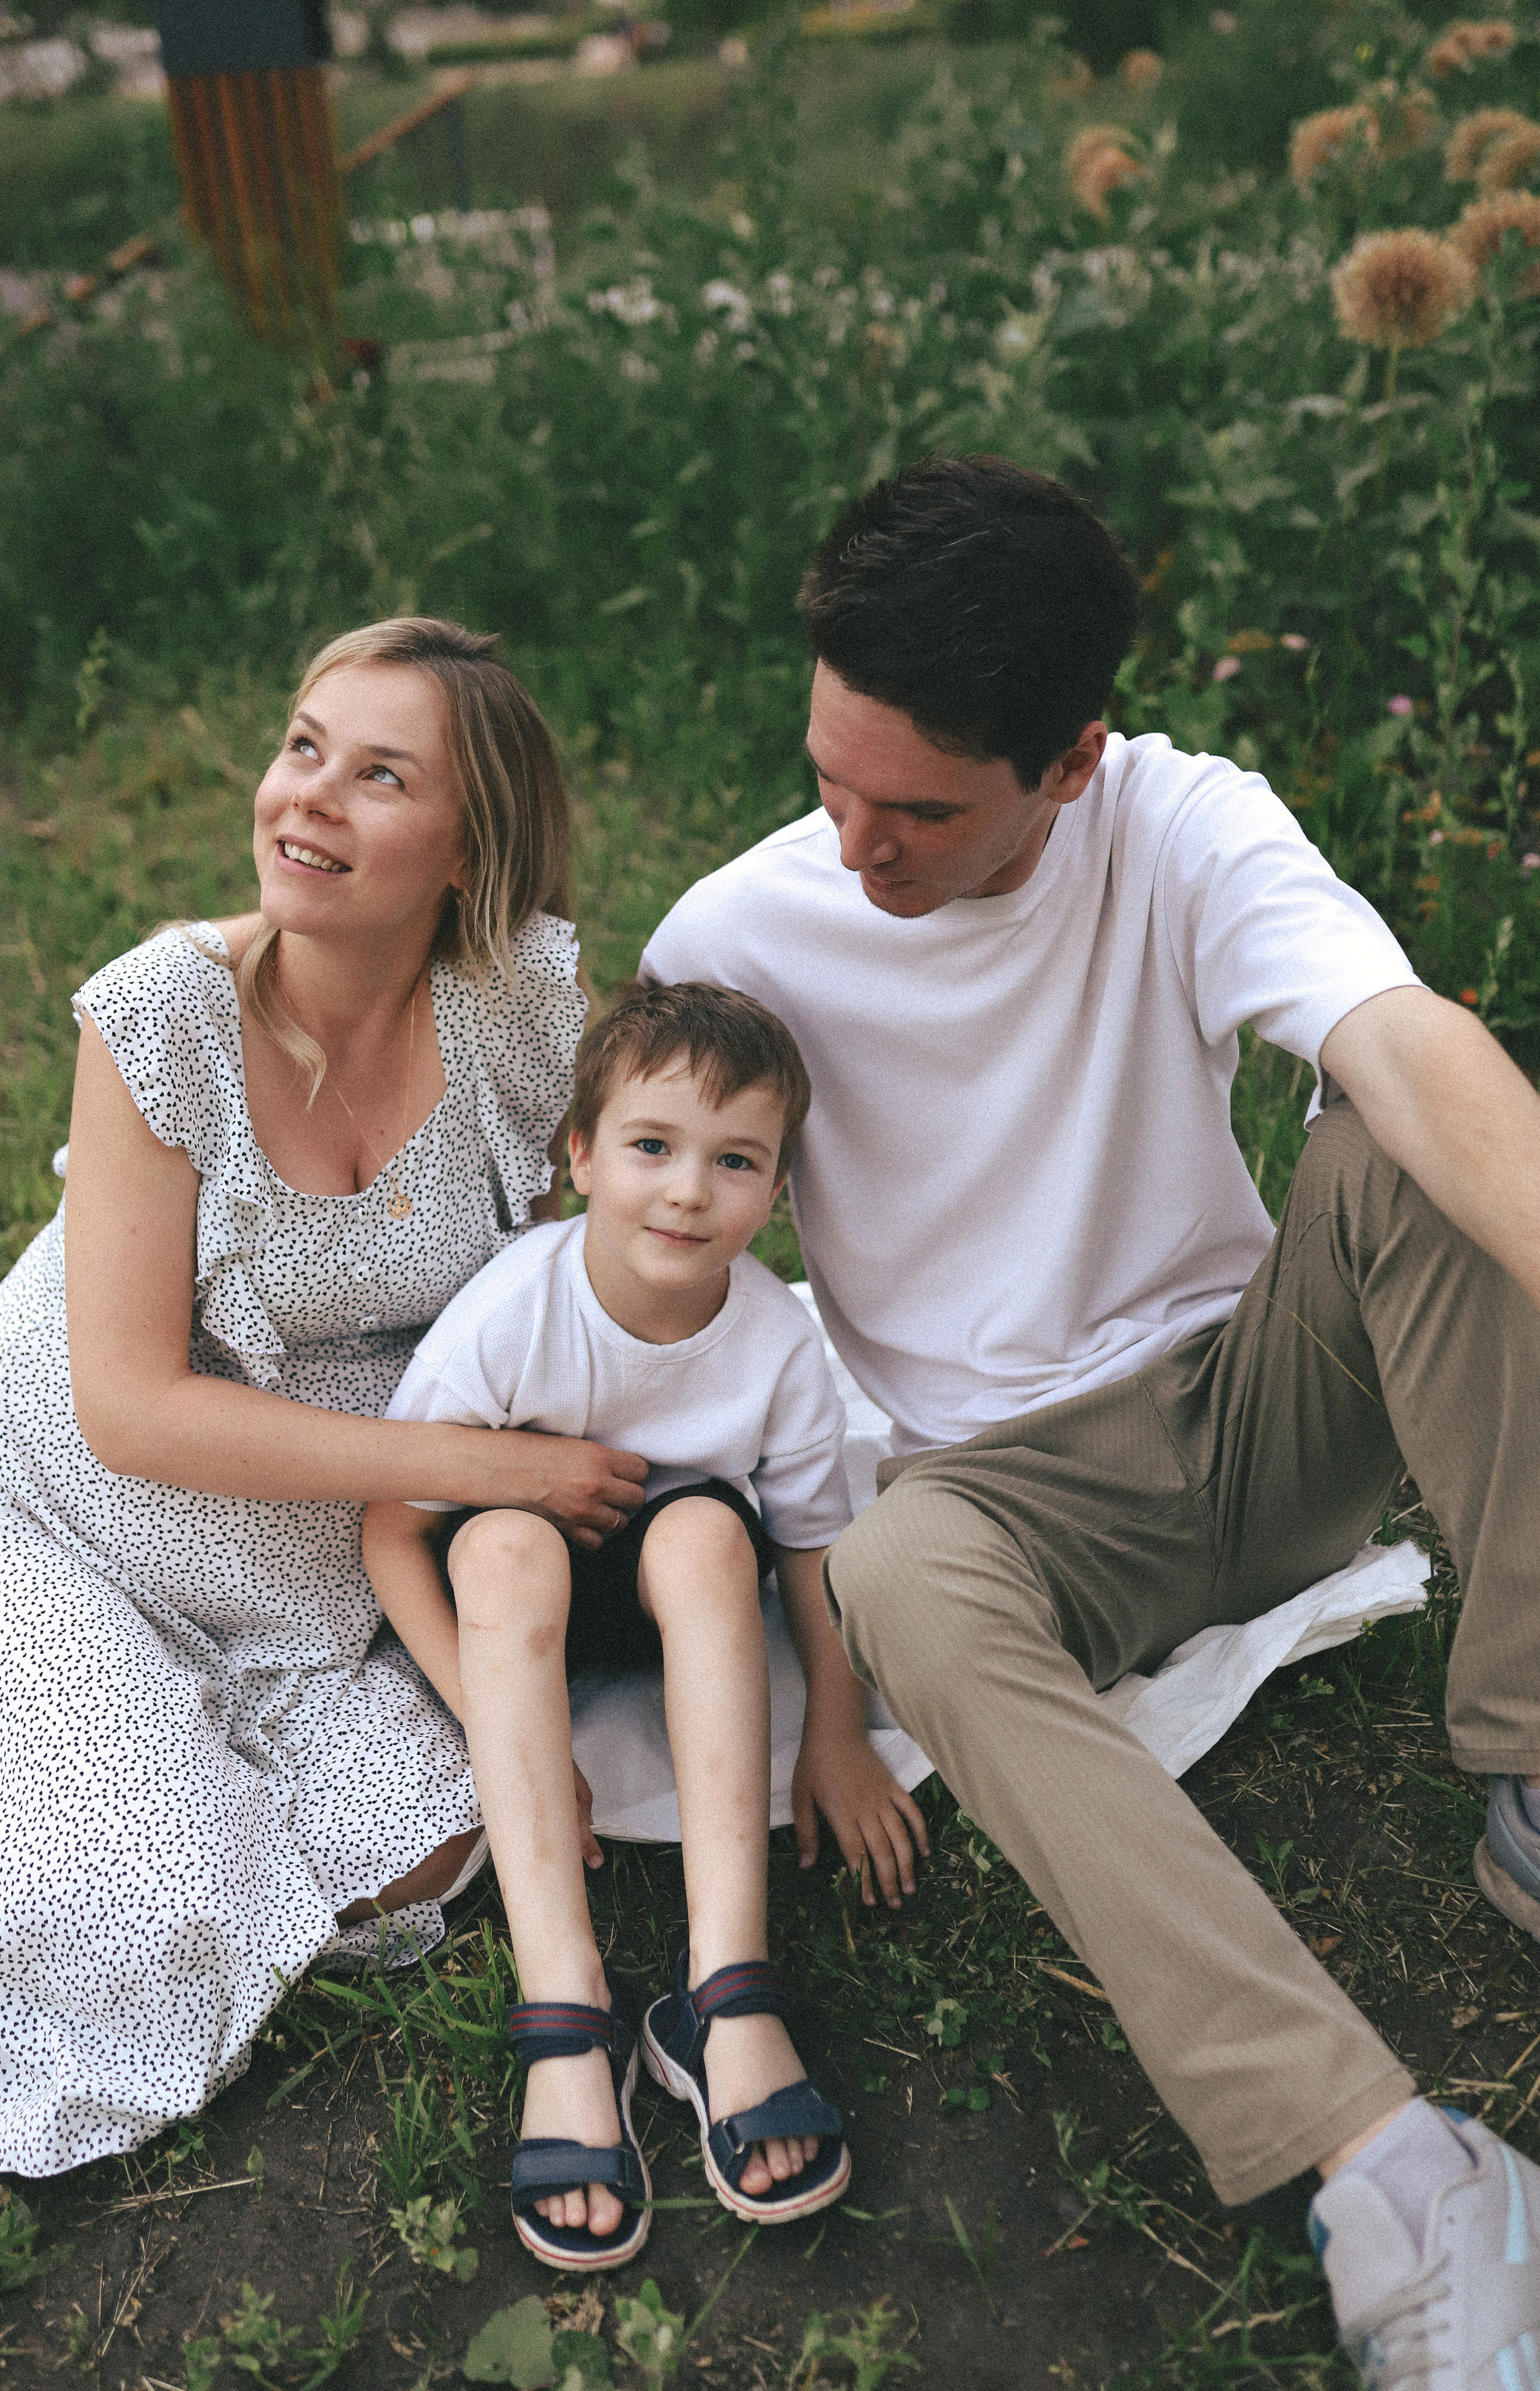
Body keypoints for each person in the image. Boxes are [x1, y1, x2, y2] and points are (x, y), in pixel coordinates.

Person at [641, 456, 1540, 2385]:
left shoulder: (1183, 827)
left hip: (1253, 1414)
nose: (860, 847)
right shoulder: (737, 938)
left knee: (1404, 1142)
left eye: (924, 812)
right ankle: (1393, 2167)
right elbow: (668, 1302)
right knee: (897, 1566)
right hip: (1000, 1513)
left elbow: (1408, 1047)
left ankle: (1537, 1774)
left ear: (1073, 760)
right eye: (831, 783)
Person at [0, 616, 652, 2178]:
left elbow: (559, 1257)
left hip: (315, 1561)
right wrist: (486, 1464)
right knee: (147, 1916)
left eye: (378, 775)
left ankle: (218, 1741)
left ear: (469, 852)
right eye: (302, 749)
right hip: (55, 1510)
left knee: (439, 1847)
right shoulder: (165, 1019)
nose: (307, 799)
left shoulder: (512, 1005)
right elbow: (130, 1408)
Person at [364, 981, 928, 2269]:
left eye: (733, 1162)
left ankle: (725, 1994)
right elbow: (391, 1526)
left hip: (683, 1585)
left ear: (776, 1189)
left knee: (712, 1528)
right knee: (502, 1536)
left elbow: (808, 1554)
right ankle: (563, 2007)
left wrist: (832, 1735)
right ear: (579, 1155)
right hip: (520, 1593)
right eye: (650, 1147)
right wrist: (506, 1743)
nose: (685, 1193)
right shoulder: (518, 1308)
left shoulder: (775, 1344)